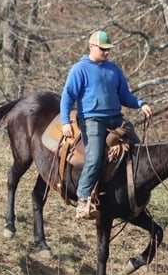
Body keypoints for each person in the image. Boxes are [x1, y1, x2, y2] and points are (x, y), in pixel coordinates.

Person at [60, 30, 153, 219]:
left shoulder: (114, 70)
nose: (107, 52)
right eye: (103, 49)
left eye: (108, 49)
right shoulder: (80, 69)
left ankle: (133, 190)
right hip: (91, 120)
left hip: (115, 118)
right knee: (94, 158)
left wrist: (140, 103)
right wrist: (65, 122)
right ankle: (83, 198)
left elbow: (124, 95)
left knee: (138, 150)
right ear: (91, 47)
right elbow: (67, 96)